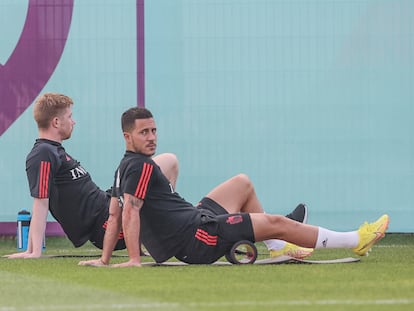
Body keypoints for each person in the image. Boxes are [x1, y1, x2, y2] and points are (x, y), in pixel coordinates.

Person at [79, 107, 389, 268]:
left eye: (154, 130)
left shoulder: (125, 165)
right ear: (127, 136)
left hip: (196, 219)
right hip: (198, 238)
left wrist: (105, 259)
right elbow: (128, 214)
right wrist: (133, 259)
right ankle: (355, 240)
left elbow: (115, 214)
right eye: (143, 132)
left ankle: (281, 247)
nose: (152, 137)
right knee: (277, 222)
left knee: (242, 183)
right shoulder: (140, 167)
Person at [4, 93, 180, 259]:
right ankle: (160, 233)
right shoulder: (43, 153)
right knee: (153, 178)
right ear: (56, 122)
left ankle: (153, 235)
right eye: (69, 117)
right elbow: (40, 202)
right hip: (105, 224)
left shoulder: (55, 150)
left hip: (108, 201)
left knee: (169, 162)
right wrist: (33, 251)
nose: (73, 122)